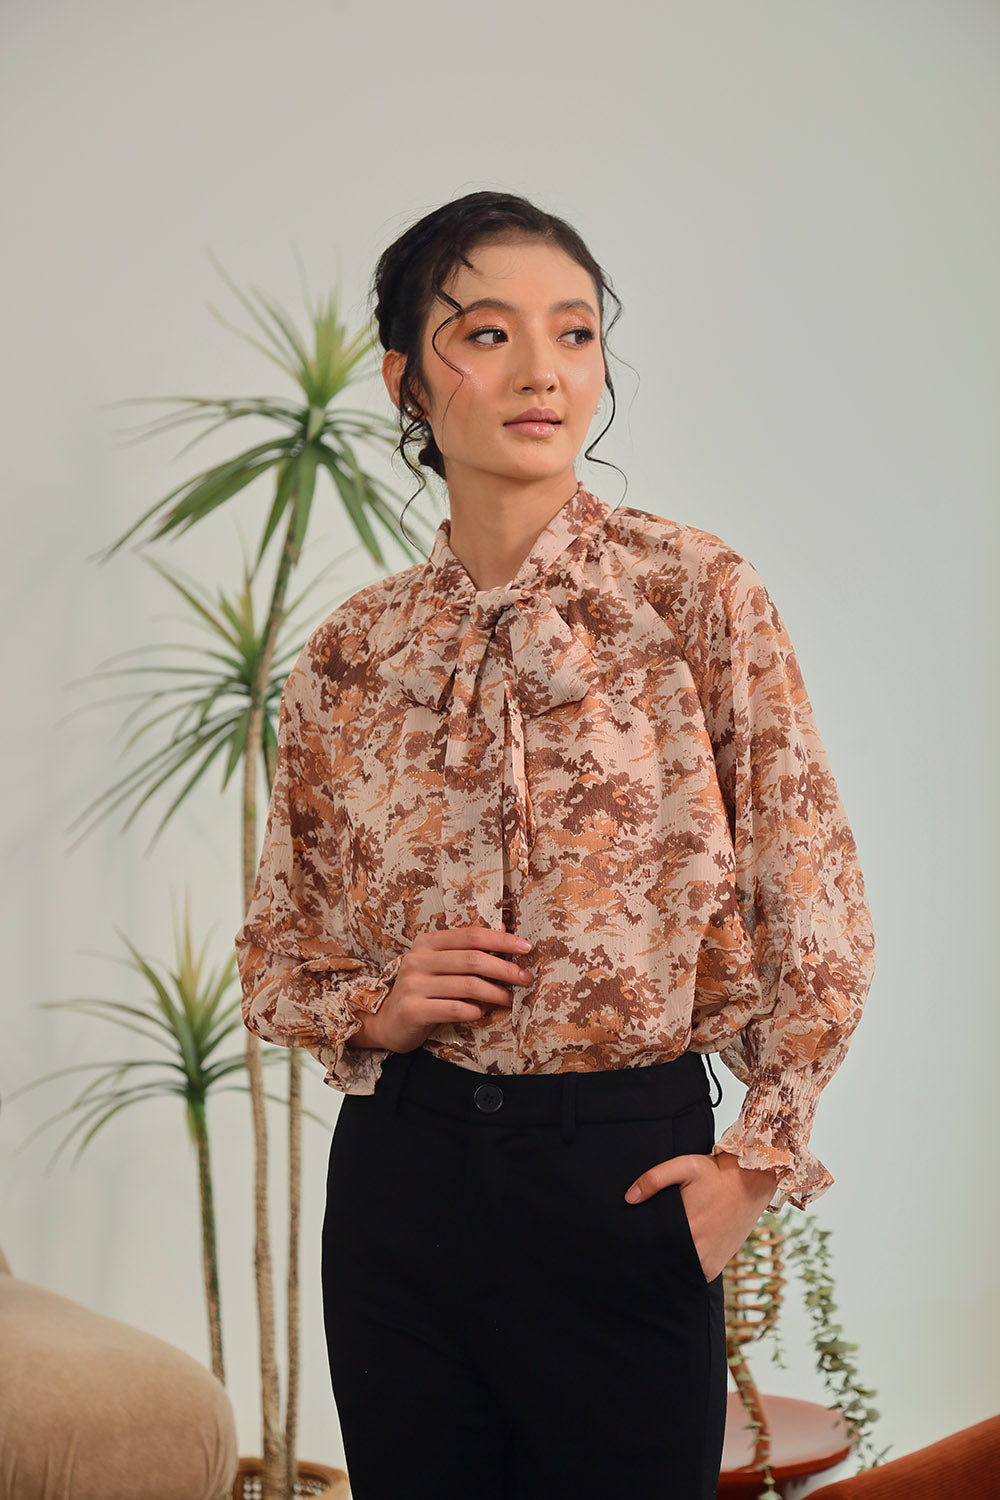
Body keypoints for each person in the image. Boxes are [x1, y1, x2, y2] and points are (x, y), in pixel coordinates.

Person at [235, 190, 876, 1500]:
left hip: (621, 1176)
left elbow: (811, 898)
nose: (543, 371)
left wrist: (754, 1165)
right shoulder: (352, 651)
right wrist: (377, 1006)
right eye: (488, 334)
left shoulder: (696, 594)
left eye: (576, 334)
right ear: (407, 383)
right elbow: (281, 943)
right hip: (402, 1191)